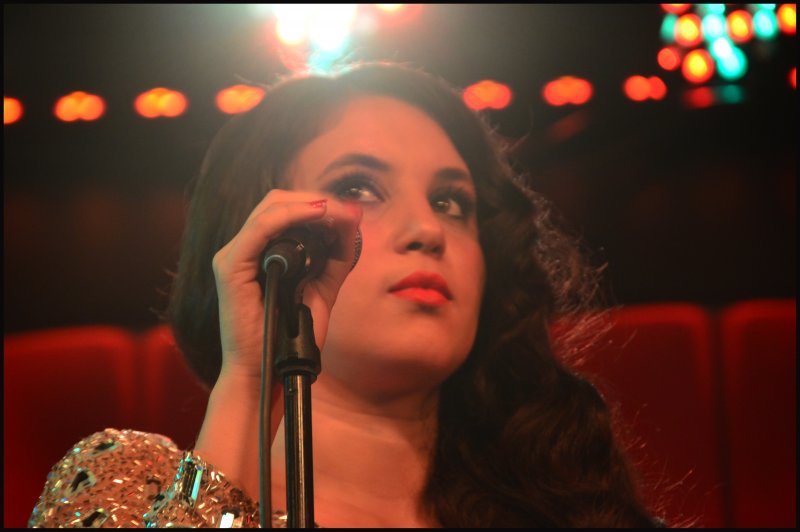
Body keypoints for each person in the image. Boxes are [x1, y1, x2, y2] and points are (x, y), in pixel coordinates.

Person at [29, 61, 665, 528]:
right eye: (357, 188)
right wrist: (250, 376)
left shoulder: (575, 505)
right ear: (261, 241)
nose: (427, 230)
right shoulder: (127, 488)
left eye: (451, 202)